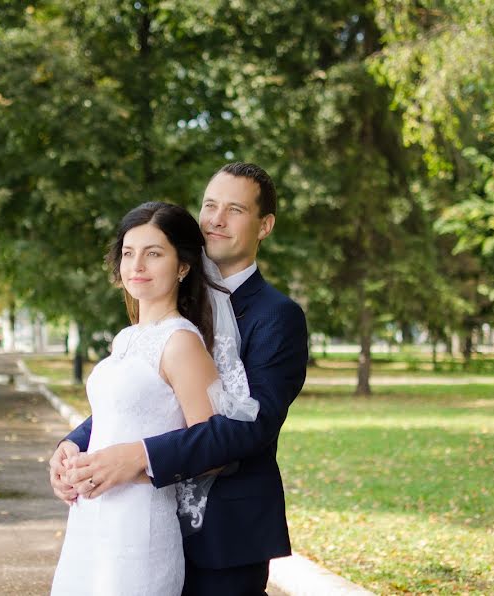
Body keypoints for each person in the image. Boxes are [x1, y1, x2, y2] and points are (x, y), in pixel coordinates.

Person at [50, 162, 310, 595]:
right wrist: (75, 443)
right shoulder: (166, 296)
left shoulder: (276, 316)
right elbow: (144, 396)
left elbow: (253, 426)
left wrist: (140, 457)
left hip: (223, 531)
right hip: (139, 519)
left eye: (235, 209)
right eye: (210, 205)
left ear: (264, 226)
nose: (216, 219)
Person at [50, 201, 235, 595]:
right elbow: (116, 417)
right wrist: (68, 450)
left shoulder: (181, 341)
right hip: (90, 520)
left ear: (183, 266)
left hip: (139, 527)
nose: (137, 265)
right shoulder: (127, 338)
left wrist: (135, 463)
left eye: (154, 254)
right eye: (129, 253)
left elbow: (213, 446)